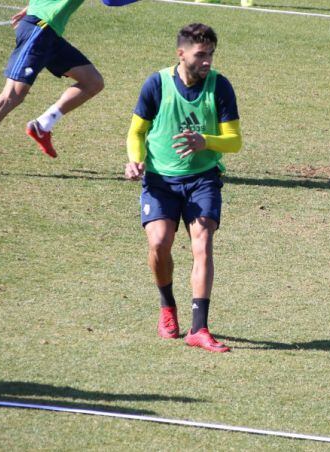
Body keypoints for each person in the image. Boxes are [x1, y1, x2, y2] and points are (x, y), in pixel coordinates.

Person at [125, 23, 242, 353]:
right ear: (181, 54)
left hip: (202, 179)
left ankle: (199, 328)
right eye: (201, 55)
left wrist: (205, 141)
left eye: (211, 55)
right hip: (160, 181)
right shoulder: (157, 84)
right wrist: (136, 160)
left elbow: (234, 141)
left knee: (202, 243)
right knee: (160, 244)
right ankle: (167, 308)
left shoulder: (219, 87)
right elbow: (136, 132)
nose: (207, 61)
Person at [0, 0, 104, 175]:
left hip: (49, 32)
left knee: (92, 82)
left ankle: (42, 126)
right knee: (13, 94)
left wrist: (30, 7)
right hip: (39, 29)